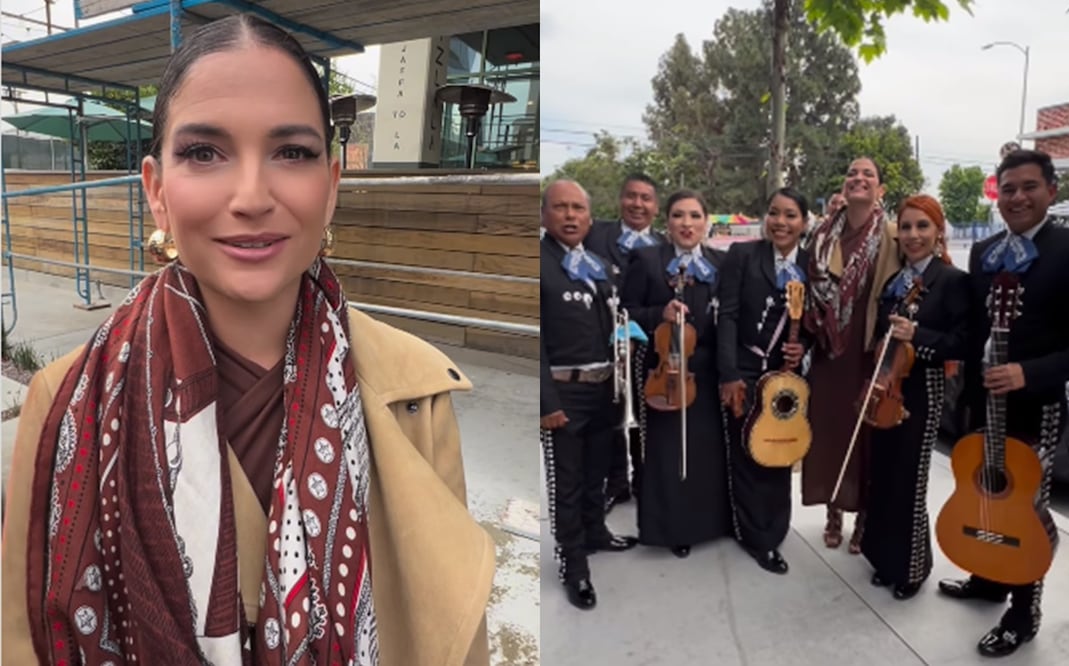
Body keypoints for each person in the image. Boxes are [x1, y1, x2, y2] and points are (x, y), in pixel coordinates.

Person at [1, 15, 494, 666]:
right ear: (156, 190)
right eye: (204, 153)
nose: (252, 196)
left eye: (292, 152)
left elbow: (456, 635)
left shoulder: (416, 394)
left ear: (332, 186)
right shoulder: (67, 400)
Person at [938, 149, 1069, 657]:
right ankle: (988, 577)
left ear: (1051, 191)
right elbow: (973, 329)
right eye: (1009, 189)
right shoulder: (985, 251)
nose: (1017, 197)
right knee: (985, 491)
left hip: (1036, 405)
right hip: (982, 401)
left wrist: (1028, 372)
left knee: (1025, 508)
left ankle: (1024, 612)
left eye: (1029, 187)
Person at [859, 195, 969, 601]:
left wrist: (917, 335)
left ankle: (910, 567)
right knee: (882, 473)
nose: (913, 235)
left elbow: (963, 342)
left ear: (938, 231)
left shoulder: (952, 281)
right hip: (888, 385)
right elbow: (880, 336)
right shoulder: (895, 282)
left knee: (910, 478)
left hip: (922, 389)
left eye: (922, 226)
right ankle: (881, 557)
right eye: (905, 227)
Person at [540, 179, 638, 611]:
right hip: (564, 393)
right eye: (561, 207)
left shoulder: (600, 265)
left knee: (598, 473)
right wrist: (546, 402)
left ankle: (596, 533)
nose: (570, 215)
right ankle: (574, 566)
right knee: (568, 483)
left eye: (578, 208)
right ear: (545, 214)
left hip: (604, 392)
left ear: (590, 217)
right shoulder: (540, 264)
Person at [623, 190, 730, 558]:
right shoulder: (647, 259)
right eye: (678, 215)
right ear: (666, 222)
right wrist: (659, 314)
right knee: (668, 452)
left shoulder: (721, 261)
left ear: (706, 221)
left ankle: (712, 523)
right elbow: (626, 311)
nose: (687, 224)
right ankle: (674, 527)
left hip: (707, 370)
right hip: (666, 369)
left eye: (695, 216)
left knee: (706, 450)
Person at [802, 157, 901, 553]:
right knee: (830, 431)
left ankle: (863, 517)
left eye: (868, 174)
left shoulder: (892, 235)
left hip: (868, 348)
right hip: (829, 350)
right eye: (852, 173)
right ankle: (833, 511)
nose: (858, 178)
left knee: (866, 436)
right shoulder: (823, 234)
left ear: (880, 189)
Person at [717, 187, 812, 575]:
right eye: (774, 213)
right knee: (746, 451)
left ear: (803, 222)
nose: (780, 222)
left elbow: (815, 323)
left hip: (785, 376)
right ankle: (755, 536)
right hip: (745, 368)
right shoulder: (743, 255)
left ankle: (775, 528)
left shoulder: (811, 263)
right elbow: (727, 316)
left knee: (779, 452)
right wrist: (729, 374)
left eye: (790, 215)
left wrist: (802, 346)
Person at [583, 173, 665, 511]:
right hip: (601, 342)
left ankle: (645, 482)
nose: (637, 204)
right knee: (608, 417)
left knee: (644, 416)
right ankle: (615, 483)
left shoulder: (665, 245)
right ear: (620, 200)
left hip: (649, 349)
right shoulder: (594, 235)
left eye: (646, 198)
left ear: (656, 207)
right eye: (631, 196)